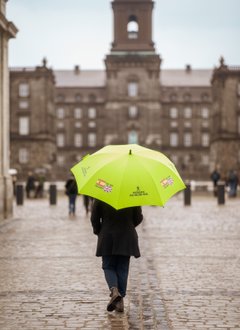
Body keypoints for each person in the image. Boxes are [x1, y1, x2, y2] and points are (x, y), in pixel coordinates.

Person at [90, 199, 143, 313]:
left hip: (108, 235)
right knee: (122, 268)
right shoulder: (131, 195)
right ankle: (120, 301)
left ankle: (114, 290)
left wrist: (98, 230)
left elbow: (94, 217)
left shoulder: (101, 195)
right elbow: (138, 218)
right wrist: (127, 225)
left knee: (108, 266)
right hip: (127, 236)